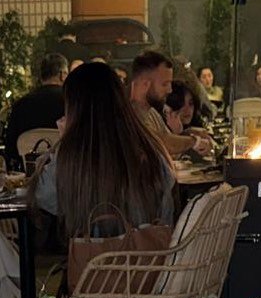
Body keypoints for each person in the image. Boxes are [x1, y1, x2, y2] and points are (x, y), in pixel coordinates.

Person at [30, 62, 175, 241]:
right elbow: (166, 215)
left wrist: (66, 141)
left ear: (75, 110)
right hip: (153, 255)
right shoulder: (149, 150)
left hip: (96, 257)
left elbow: (43, 196)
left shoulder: (75, 159)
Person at [130, 50, 211, 159]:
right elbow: (162, 143)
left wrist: (188, 133)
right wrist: (194, 141)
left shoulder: (151, 111)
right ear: (144, 83)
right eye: (165, 84)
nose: (170, 90)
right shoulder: (131, 113)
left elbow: (167, 136)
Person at [4, 53, 68, 170]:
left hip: (29, 173)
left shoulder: (20, 104)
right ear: (62, 75)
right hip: (65, 171)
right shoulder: (71, 102)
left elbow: (10, 148)